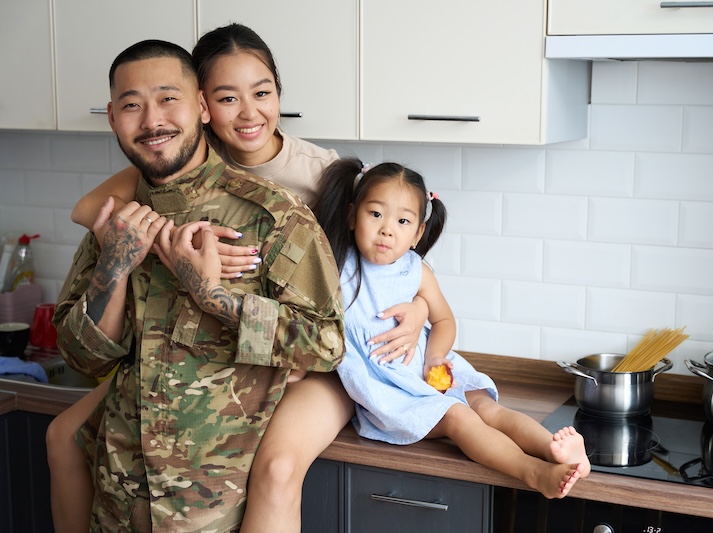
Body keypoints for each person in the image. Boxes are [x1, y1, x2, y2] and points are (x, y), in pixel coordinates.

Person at [47, 24, 428, 533]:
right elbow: (83, 346)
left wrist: (423, 306)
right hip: (122, 495)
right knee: (63, 435)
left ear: (195, 108)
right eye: (229, 97)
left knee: (278, 470)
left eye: (168, 99)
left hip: (238, 457)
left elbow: (378, 268)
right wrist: (131, 256)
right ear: (209, 105)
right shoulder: (133, 203)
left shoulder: (309, 186)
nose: (248, 113)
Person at [313, 158, 592, 499]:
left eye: (403, 221)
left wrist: (435, 358)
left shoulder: (416, 271)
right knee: (460, 418)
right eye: (375, 214)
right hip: (391, 388)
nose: (387, 229)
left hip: (430, 369)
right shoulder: (338, 267)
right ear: (351, 216)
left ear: (417, 234)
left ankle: (558, 452)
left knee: (489, 410)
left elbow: (444, 321)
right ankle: (535, 472)